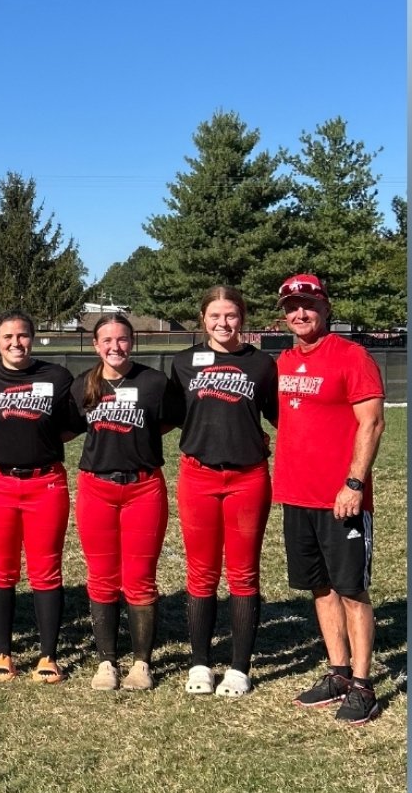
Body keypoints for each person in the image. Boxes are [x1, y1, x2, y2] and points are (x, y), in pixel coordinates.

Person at [272, 274, 385, 725]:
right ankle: (338, 672)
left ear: (325, 307)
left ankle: (363, 685)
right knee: (319, 586)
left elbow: (372, 422)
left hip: (342, 498)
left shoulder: (351, 356)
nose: (300, 313)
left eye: (308, 304)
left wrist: (354, 484)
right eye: (291, 307)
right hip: (296, 494)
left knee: (351, 589)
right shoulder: (283, 360)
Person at [167, 286, 278, 698]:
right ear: (203, 319)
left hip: (247, 478)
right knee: (201, 572)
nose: (223, 323)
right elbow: (171, 415)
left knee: (244, 573)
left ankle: (239, 668)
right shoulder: (183, 362)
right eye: (215, 315)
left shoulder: (262, 363)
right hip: (198, 476)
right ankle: (200, 662)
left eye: (230, 315)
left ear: (242, 318)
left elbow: (280, 416)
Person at [0, 310, 74, 683]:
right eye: (8, 337)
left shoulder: (56, 377)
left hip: (46, 483)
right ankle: (3, 653)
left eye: (23, 335)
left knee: (46, 569)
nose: (16, 343)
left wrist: (38, 444)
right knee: (0, 568)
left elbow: (72, 425)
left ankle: (48, 656)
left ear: (33, 337)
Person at [68, 313, 177, 692]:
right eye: (107, 340)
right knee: (102, 576)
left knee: (140, 577)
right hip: (96, 487)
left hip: (143, 488)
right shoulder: (82, 384)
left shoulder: (154, 382)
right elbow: (72, 426)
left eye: (123, 339)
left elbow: (166, 422)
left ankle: (141, 663)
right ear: (95, 345)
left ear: (133, 342)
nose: (115, 347)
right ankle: (106, 661)